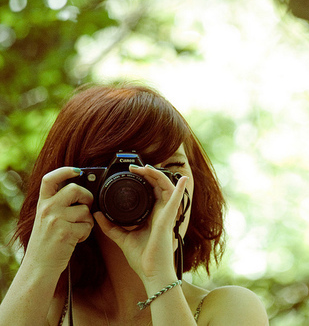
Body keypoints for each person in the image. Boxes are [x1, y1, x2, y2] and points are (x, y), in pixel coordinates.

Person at [0, 84, 269, 325]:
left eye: (172, 167)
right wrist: (39, 263)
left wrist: (159, 275)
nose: (158, 187)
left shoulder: (231, 310)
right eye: (125, 175)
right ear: (77, 185)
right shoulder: (48, 310)